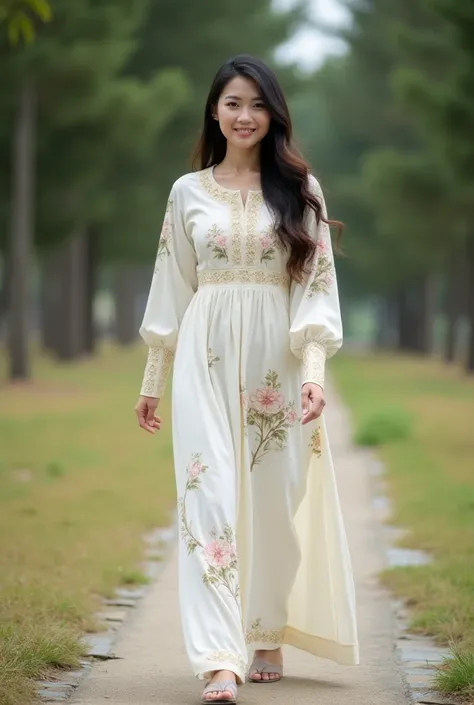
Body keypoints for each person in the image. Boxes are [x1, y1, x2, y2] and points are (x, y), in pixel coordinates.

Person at [134, 54, 358, 704]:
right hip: (204, 353)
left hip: (276, 361)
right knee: (207, 495)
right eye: (233, 102)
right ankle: (219, 655)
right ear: (214, 109)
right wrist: (154, 374)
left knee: (272, 501)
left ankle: (265, 629)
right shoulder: (186, 192)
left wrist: (314, 368)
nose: (245, 115)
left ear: (273, 114)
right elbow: (169, 284)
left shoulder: (301, 190)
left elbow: (317, 286)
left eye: (258, 104)